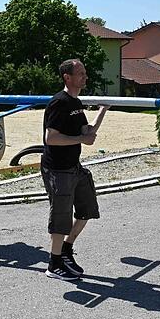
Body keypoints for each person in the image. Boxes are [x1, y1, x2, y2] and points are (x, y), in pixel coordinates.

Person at [41, 59, 108, 281]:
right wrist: (81, 138)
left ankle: (66, 250)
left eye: (85, 73)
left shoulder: (76, 103)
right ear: (67, 77)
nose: (85, 77)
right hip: (57, 169)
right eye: (80, 73)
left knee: (87, 209)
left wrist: (103, 110)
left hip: (73, 167)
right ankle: (54, 263)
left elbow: (87, 132)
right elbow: (51, 138)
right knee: (61, 218)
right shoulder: (59, 103)